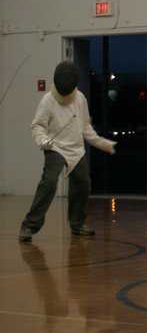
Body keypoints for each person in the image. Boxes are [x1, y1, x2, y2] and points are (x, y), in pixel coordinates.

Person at [19, 61, 116, 243]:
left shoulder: (80, 99)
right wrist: (43, 140)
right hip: (54, 146)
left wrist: (103, 143)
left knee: (83, 183)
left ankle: (77, 224)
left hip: (76, 149)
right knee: (49, 183)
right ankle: (29, 226)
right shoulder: (48, 100)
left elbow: (85, 127)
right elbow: (38, 126)